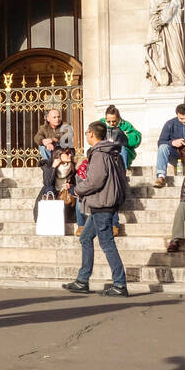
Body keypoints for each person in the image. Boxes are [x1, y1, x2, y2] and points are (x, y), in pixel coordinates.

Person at [63, 122, 128, 297]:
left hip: (102, 203)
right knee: (85, 237)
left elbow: (95, 180)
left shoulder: (100, 154)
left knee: (107, 243)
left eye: (86, 132)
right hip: (103, 202)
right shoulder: (112, 152)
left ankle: (120, 284)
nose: (86, 135)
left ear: (91, 134)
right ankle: (82, 280)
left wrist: (76, 190)